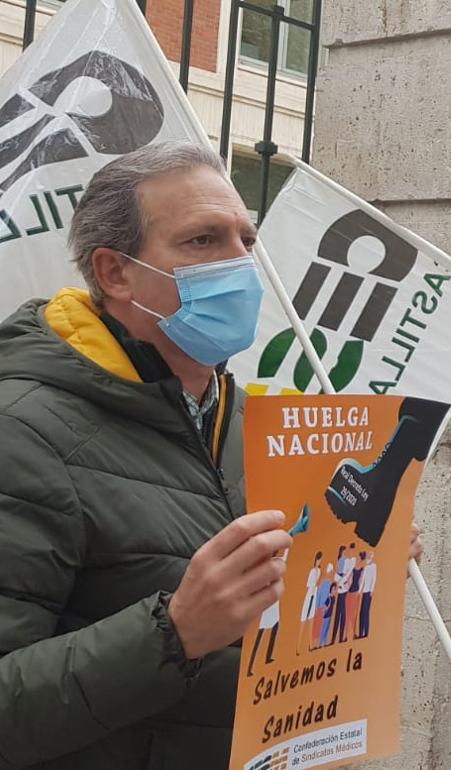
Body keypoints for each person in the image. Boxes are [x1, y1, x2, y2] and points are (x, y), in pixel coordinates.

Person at [0, 143, 425, 767]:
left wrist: (356, 561)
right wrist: (174, 633)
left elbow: (273, 609)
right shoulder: (22, 431)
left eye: (246, 240)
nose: (242, 264)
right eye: (203, 241)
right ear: (116, 272)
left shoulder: (249, 417)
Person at [299, 551, 323, 656]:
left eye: (320, 559)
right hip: (309, 596)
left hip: (314, 597)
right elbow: (309, 585)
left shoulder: (319, 571)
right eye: (318, 559)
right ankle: (298, 647)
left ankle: (310, 645)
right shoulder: (313, 571)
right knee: (303, 623)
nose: (319, 561)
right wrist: (316, 584)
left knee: (311, 622)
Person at [359, 551, 378, 639]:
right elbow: (363, 580)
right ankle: (360, 632)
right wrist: (359, 591)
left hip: (368, 591)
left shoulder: (373, 566)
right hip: (364, 591)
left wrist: (371, 590)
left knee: (366, 612)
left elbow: (373, 579)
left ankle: (365, 632)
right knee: (362, 612)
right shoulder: (366, 566)